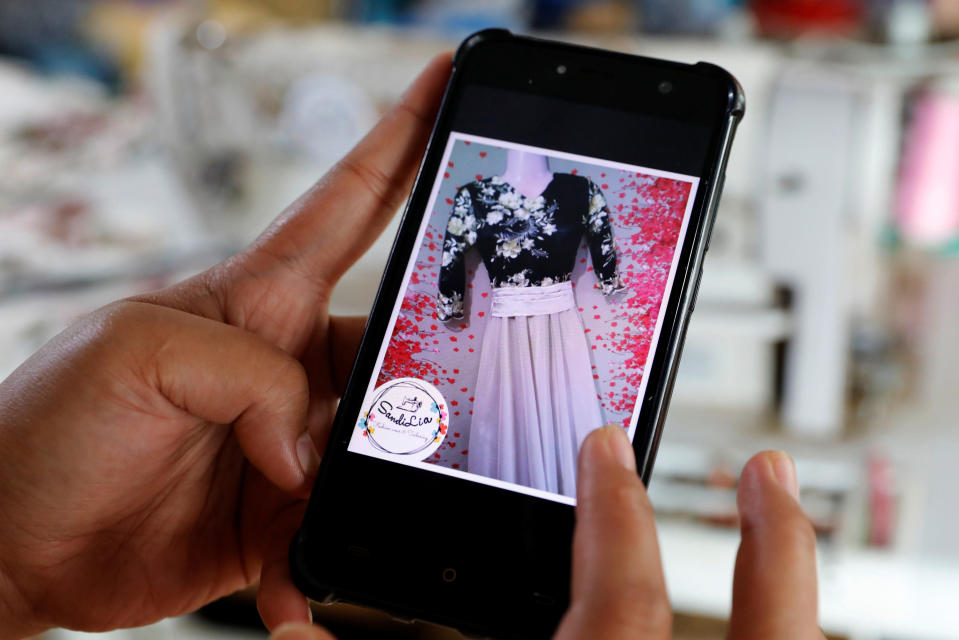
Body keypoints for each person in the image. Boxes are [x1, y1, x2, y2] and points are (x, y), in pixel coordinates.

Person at [0, 53, 823, 640]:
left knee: (567, 458)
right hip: (505, 328)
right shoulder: (475, 188)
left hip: (548, 329)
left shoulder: (576, 187)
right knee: (527, 445)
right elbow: (460, 280)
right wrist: (16, 574)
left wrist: (20, 579)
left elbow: (602, 264)